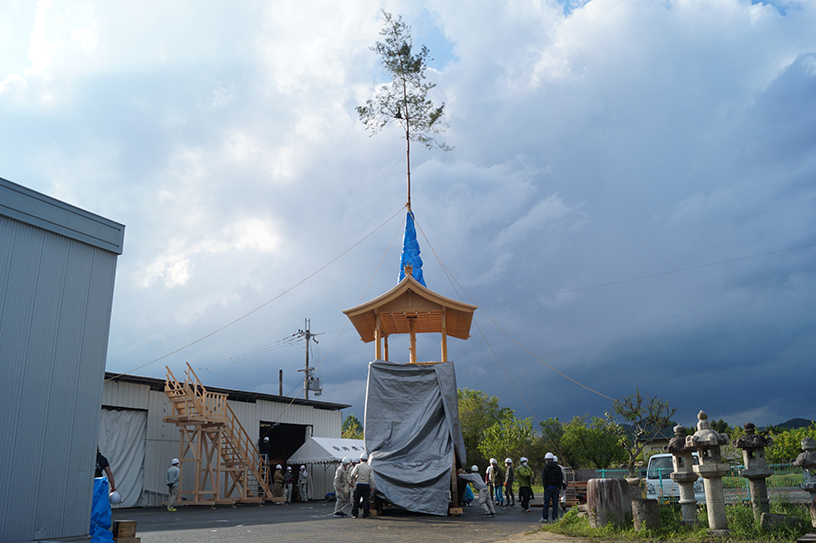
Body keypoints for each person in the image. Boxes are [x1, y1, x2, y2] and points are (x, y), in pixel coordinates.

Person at [350, 452, 375, 519]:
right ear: (367, 460)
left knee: (356, 500)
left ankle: (355, 514)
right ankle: (365, 514)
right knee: (366, 500)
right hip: (366, 485)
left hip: (358, 484)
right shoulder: (369, 467)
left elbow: (352, 474)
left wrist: (354, 480)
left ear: (361, 459)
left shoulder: (358, 466)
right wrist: (372, 486)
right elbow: (372, 478)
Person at [540, 452, 564, 523]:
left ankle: (545, 518)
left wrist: (545, 487)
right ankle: (555, 518)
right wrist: (558, 487)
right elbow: (560, 478)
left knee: (546, 503)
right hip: (556, 488)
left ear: (547, 460)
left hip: (548, 488)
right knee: (555, 504)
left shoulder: (545, 468)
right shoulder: (558, 468)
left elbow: (544, 479)